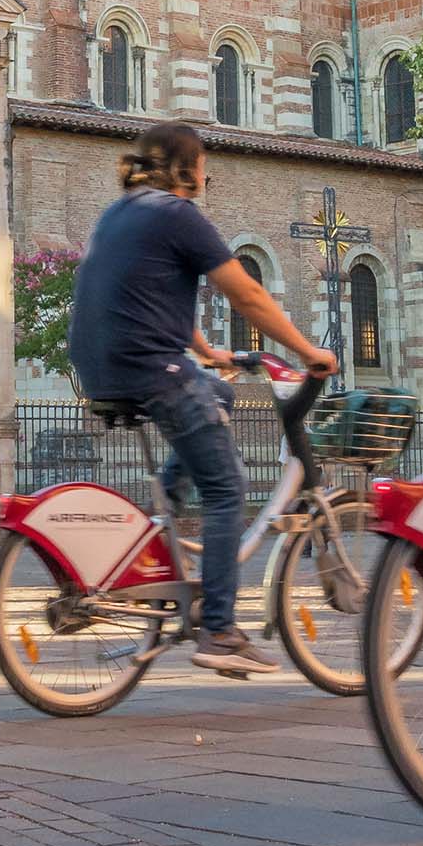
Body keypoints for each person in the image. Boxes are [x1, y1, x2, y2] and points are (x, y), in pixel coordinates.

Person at [68, 121, 338, 676]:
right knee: (227, 487)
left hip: (102, 365)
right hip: (151, 369)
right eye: (203, 163)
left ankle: (164, 518)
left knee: (216, 390)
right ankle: (219, 629)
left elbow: (144, 291)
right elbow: (248, 294)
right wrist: (309, 350)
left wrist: (208, 351)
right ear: (188, 170)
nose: (208, 174)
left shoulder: (122, 213)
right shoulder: (178, 214)